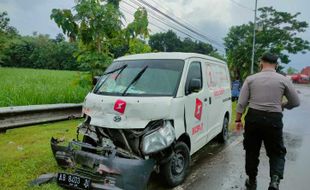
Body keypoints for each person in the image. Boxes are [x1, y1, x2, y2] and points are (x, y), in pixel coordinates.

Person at [235, 52, 300, 190]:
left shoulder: (251, 79)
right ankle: (275, 181)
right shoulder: (283, 80)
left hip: (254, 118)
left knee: (252, 150)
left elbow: (241, 103)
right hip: (274, 119)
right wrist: (282, 105)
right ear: (276, 65)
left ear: (261, 62)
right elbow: (295, 102)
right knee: (277, 151)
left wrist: (238, 120)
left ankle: (252, 181)